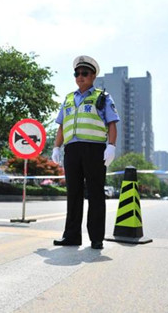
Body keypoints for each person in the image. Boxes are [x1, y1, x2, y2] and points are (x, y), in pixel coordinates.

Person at [51, 55, 120, 250]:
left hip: (94, 149)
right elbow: (62, 126)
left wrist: (111, 145)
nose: (80, 76)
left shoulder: (102, 97)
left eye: (84, 73)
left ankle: (96, 238)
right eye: (77, 73)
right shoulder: (69, 98)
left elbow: (112, 123)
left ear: (93, 76)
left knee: (96, 193)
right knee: (73, 194)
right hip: (71, 150)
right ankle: (72, 235)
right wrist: (56, 147)